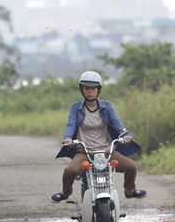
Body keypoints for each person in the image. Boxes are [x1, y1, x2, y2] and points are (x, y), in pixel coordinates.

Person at [50, 71, 147, 203]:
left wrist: (126, 135)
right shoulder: (76, 108)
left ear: (98, 90)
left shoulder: (107, 106)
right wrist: (68, 138)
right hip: (85, 152)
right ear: (82, 89)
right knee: (69, 171)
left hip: (106, 151)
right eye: (86, 88)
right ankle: (65, 193)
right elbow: (71, 125)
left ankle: (129, 190)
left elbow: (117, 124)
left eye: (93, 88)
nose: (90, 91)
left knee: (131, 166)